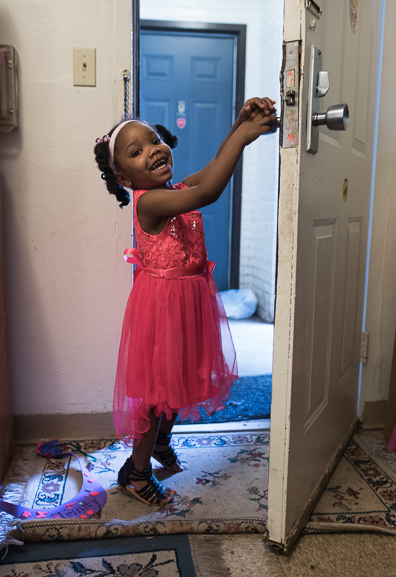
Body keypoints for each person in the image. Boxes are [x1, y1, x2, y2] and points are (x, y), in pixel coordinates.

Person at [93, 97, 277, 505]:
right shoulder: (150, 201)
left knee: (179, 381)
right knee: (158, 393)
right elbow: (209, 191)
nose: (153, 149)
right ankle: (136, 473)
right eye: (137, 151)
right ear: (124, 177)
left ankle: (160, 444)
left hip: (189, 304)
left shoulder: (174, 189)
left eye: (154, 139)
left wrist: (238, 125)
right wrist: (244, 138)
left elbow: (210, 170)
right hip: (162, 309)